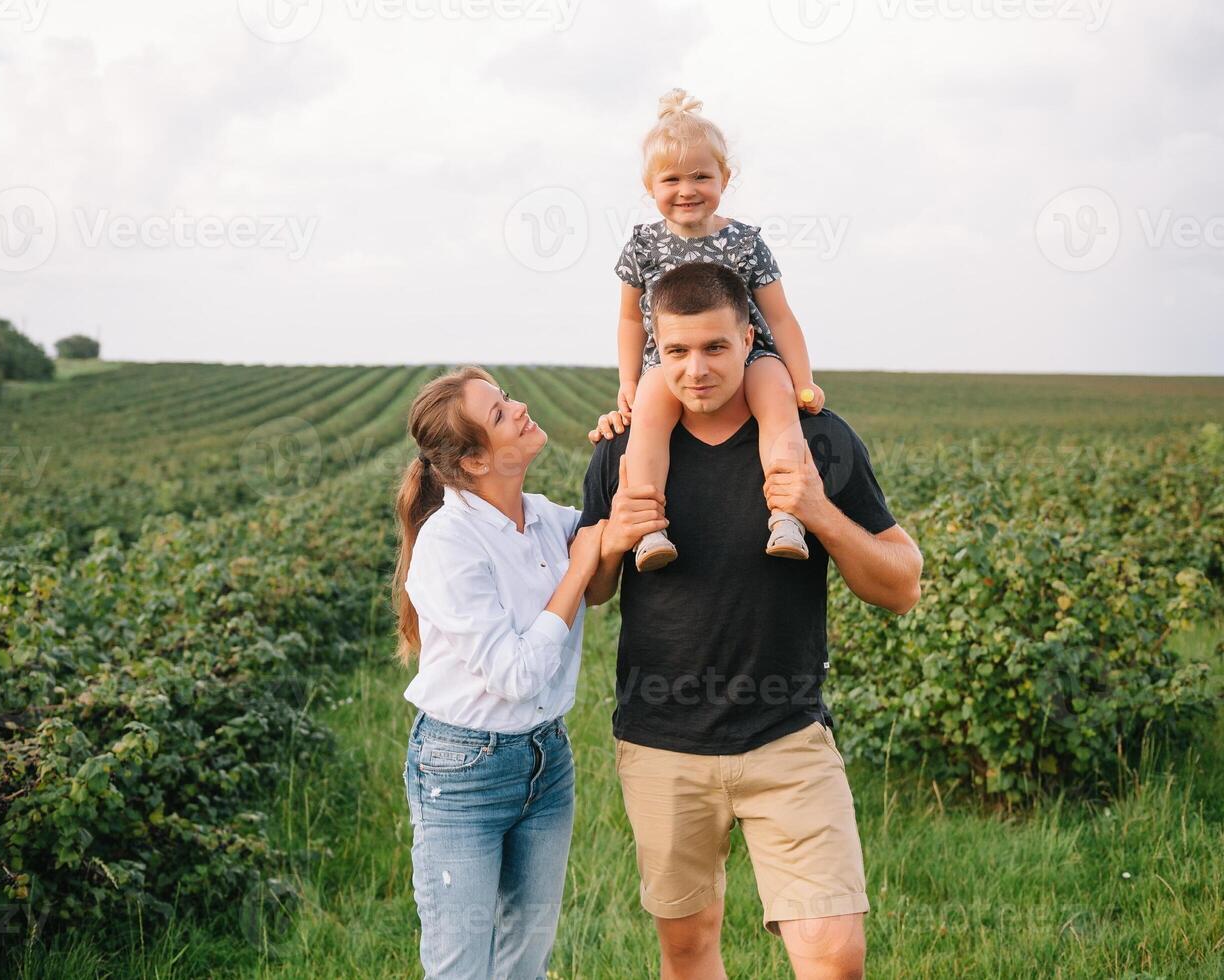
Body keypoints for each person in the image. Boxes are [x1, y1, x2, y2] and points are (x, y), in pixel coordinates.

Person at [582, 262, 923, 979]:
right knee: (688, 947)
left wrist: (818, 512)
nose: (695, 369)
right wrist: (610, 544)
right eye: (675, 352)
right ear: (654, 350)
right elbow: (595, 593)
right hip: (662, 743)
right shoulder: (621, 451)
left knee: (834, 958)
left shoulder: (818, 441)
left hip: (787, 738)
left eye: (714, 347)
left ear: (748, 339)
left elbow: (900, 586)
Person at [391, 365, 624, 978]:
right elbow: (516, 675)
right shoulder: (450, 543)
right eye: (499, 413)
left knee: (526, 960)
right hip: (463, 771)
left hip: (547, 760)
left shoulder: (546, 518)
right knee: (462, 965)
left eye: (507, 399)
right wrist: (577, 570)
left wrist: (622, 439)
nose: (519, 409)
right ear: (472, 461)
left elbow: (608, 541)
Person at [613, 87, 828, 573]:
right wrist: (629, 381)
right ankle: (649, 528)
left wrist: (803, 380)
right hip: (668, 361)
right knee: (647, 421)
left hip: (747, 356)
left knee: (776, 404)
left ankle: (786, 515)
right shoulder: (643, 246)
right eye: (671, 179)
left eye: (701, 176)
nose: (686, 190)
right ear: (649, 186)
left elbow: (779, 316)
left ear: (724, 179)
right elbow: (630, 318)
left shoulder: (745, 242)